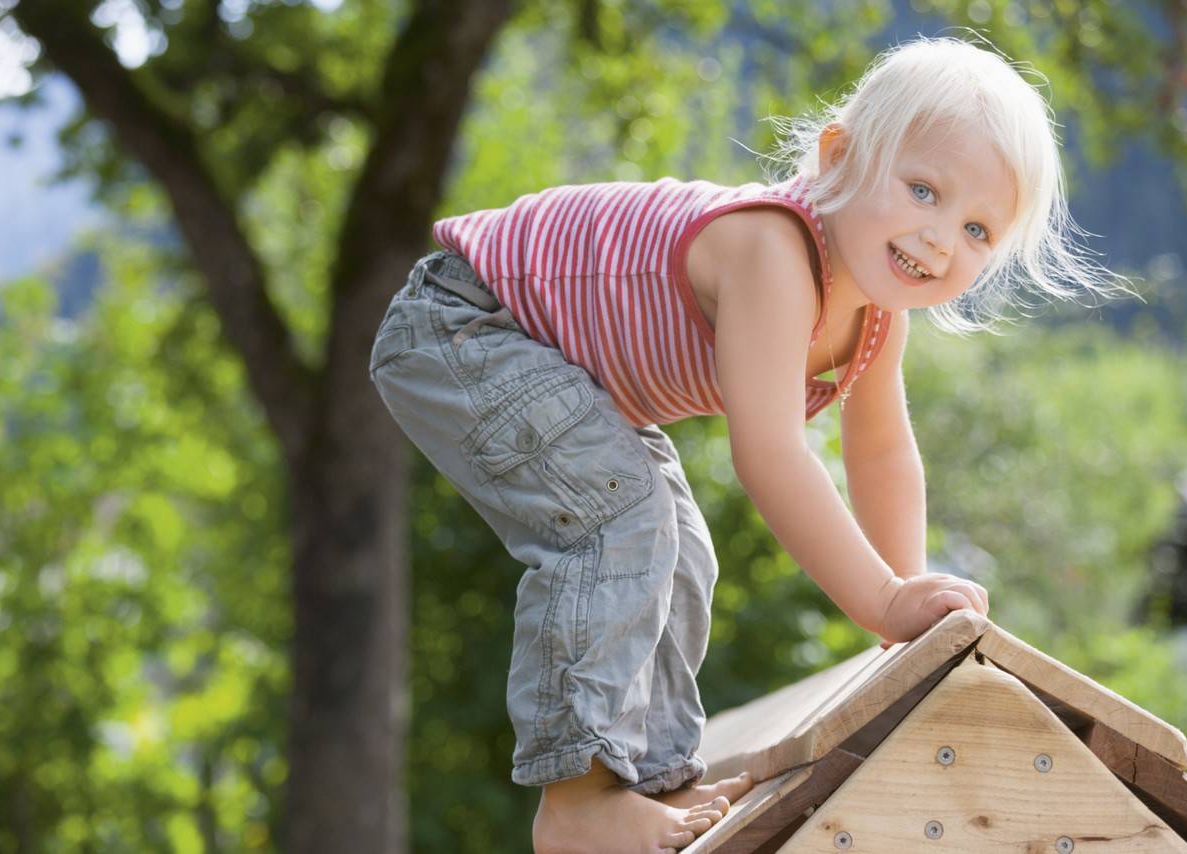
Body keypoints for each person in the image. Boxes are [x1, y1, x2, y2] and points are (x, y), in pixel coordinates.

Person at [368, 34, 1127, 854]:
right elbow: (767, 456)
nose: (942, 238)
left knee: (682, 548)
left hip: (560, 372)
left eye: (979, 229)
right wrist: (879, 599)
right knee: (621, 521)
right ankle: (578, 801)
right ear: (839, 158)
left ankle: (652, 784)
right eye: (922, 190)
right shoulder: (775, 252)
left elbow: (881, 454)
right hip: (465, 326)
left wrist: (905, 614)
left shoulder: (877, 316)